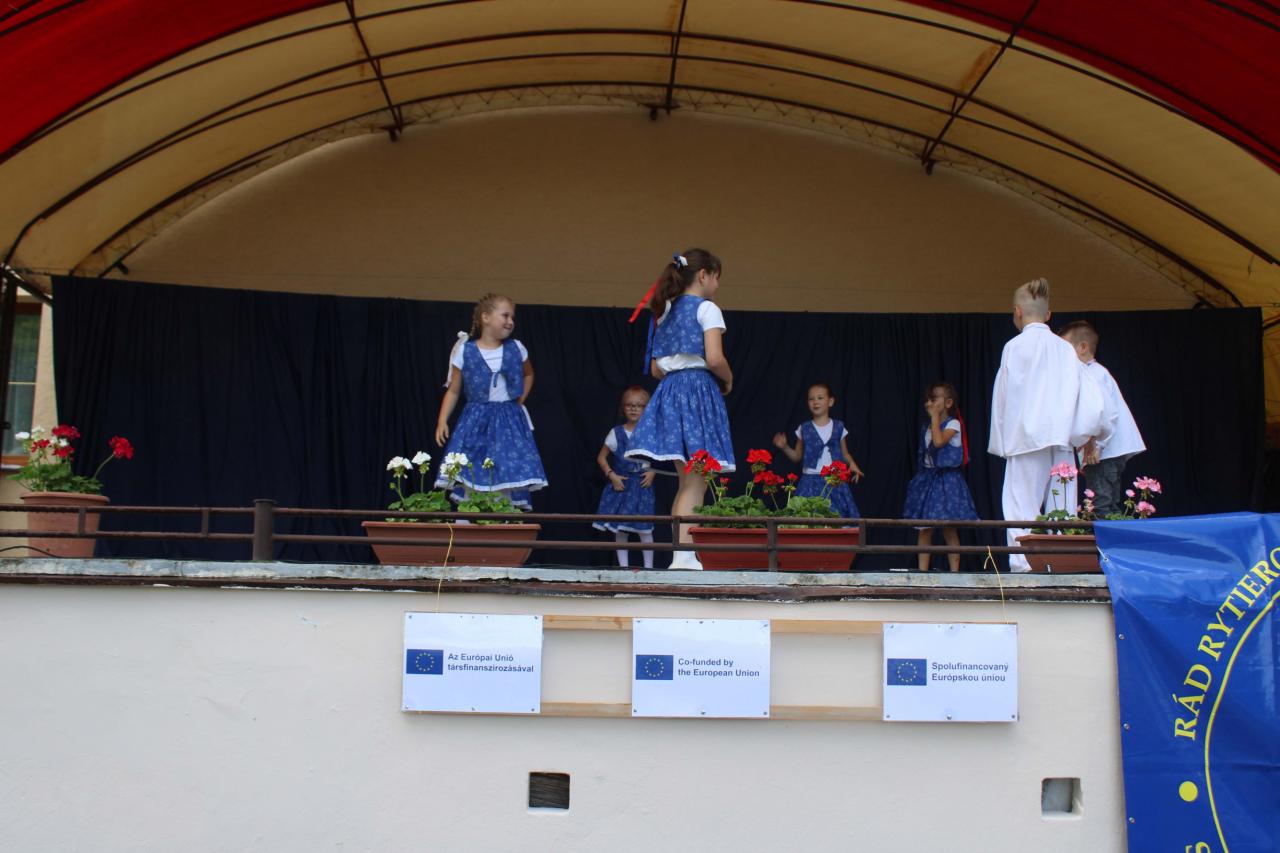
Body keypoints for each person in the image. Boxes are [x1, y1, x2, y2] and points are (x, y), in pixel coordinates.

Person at [625, 249, 734, 570]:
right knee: (696, 481)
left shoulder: (665, 311)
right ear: (704, 275)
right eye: (716, 278)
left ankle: (682, 554)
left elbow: (655, 368)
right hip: (697, 393)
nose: (717, 285)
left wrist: (677, 376)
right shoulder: (707, 309)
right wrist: (728, 379)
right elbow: (714, 358)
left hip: (670, 393)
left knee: (687, 480)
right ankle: (685, 556)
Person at [989, 278, 1105, 572]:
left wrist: (1002, 440)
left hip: (1025, 437)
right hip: (1062, 437)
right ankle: (1060, 563)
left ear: (1017, 312)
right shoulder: (1065, 349)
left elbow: (1002, 395)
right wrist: (1084, 434)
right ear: (1049, 314)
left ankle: (1023, 566)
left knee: (1021, 504)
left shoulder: (1014, 347)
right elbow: (1087, 396)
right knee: (1061, 507)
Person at [434, 293, 547, 507]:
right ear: (485, 317)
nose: (510, 321)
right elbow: (454, 390)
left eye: (512, 317)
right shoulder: (465, 350)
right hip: (475, 421)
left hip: (508, 422)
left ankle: (502, 518)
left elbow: (528, 374)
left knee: (505, 471)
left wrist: (519, 400)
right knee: (472, 470)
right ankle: (469, 520)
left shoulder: (516, 348)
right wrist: (442, 420)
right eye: (505, 315)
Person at [1059, 320, 1145, 516]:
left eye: (1065, 349)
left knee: (1100, 505)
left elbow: (1105, 412)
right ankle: (1115, 533)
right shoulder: (1095, 372)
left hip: (1104, 453)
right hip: (1109, 451)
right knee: (1109, 504)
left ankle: (1106, 536)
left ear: (1083, 347)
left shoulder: (1092, 374)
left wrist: (1097, 445)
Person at [902, 382, 979, 572]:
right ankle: (922, 572)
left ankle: (954, 573)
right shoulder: (926, 427)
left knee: (948, 527)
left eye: (935, 399)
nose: (930, 403)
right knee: (924, 527)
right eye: (928, 399)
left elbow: (938, 442)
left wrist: (935, 418)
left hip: (947, 481)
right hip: (928, 478)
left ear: (948, 403)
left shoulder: (953, 424)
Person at [772, 382, 865, 518]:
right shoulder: (804, 428)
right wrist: (784, 447)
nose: (815, 402)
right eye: (811, 399)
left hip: (834, 481)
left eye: (820, 398)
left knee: (836, 517)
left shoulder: (839, 427)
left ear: (830, 401)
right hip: (809, 482)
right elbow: (797, 456)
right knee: (808, 519)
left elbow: (844, 453)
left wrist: (852, 464)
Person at [593, 386, 657, 568]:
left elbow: (660, 457)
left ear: (646, 409)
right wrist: (611, 475)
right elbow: (601, 457)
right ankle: (624, 568)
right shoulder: (616, 433)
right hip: (622, 486)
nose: (634, 409)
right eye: (629, 405)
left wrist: (653, 471)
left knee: (645, 530)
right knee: (620, 530)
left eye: (639, 405)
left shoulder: (650, 433)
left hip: (642, 487)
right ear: (623, 408)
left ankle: (649, 568)